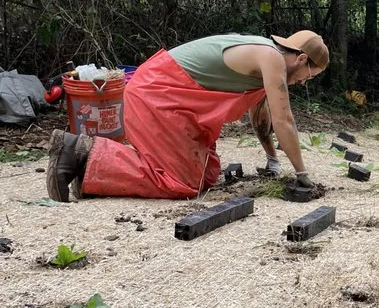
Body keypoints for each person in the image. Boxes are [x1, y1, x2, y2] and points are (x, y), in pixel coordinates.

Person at [46, 31, 329, 201]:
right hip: (158, 93)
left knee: (207, 172)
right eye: (309, 76)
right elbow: (284, 120)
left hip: (178, 102)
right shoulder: (272, 58)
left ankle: (90, 173)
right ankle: (78, 150)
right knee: (183, 183)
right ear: (302, 59)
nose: (304, 82)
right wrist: (302, 173)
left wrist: (272, 160)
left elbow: (263, 120)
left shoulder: (266, 60)